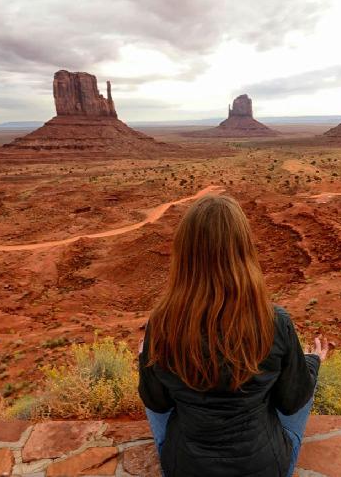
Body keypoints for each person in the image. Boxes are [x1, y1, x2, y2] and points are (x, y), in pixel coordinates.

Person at [138, 194, 328, 477]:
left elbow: (157, 402)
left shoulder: (163, 323)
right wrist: (312, 362)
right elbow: (291, 401)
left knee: (156, 383)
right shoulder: (273, 320)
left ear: (185, 254)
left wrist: (146, 360)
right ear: (243, 250)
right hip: (264, 468)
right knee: (304, 385)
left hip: (186, 468)